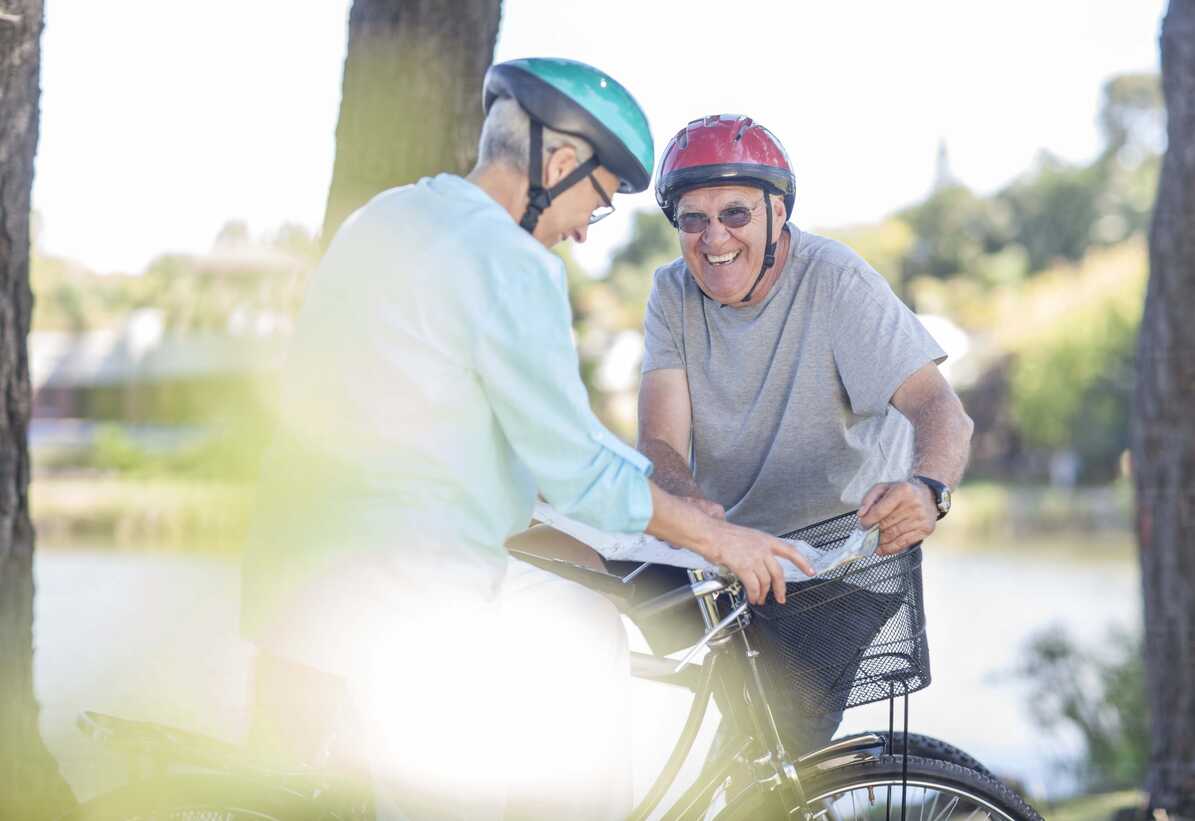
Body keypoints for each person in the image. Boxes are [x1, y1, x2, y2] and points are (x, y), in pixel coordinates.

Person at [240, 66, 812, 820]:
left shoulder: (384, 218)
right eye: (596, 201)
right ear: (556, 165)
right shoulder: (511, 264)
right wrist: (717, 537)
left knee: (582, 624)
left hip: (297, 561)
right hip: (401, 598)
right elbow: (579, 468)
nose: (582, 228)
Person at [635, 114, 975, 754]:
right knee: (581, 636)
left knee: (770, 759)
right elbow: (659, 445)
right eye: (693, 219)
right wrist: (688, 501)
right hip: (728, 545)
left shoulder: (836, 281)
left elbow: (941, 411)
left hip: (836, 557)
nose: (714, 239)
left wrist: (929, 489)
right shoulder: (671, 293)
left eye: (735, 214)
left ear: (777, 213)